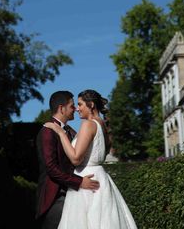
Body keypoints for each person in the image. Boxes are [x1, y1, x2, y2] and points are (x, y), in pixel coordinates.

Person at [43, 89, 137, 229]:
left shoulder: (88, 124)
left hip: (87, 179)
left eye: (80, 104)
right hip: (100, 178)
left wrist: (61, 133)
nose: (77, 109)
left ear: (91, 105)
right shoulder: (103, 125)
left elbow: (75, 159)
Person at [36, 90, 101, 229]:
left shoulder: (71, 131)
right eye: (72, 105)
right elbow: (51, 168)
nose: (76, 109)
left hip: (73, 194)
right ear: (61, 108)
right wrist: (79, 182)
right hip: (55, 197)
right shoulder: (48, 131)